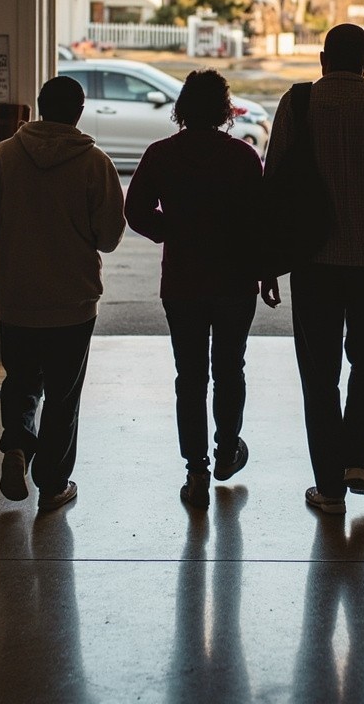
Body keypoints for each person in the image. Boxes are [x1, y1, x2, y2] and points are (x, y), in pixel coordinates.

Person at [262, 23, 364, 515]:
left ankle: (328, 486)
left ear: (322, 59)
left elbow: (274, 188)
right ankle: (359, 458)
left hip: (314, 261)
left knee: (320, 371)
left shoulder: (298, 104)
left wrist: (268, 264)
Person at [0, 75, 125, 513]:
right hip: (72, 303)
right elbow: (111, 235)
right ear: (78, 112)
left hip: (17, 299)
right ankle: (53, 483)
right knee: (63, 395)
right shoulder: (94, 163)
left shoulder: (2, 157)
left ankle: (17, 445)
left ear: (39, 106)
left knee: (20, 381)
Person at [125, 69, 263, 510]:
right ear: (225, 109)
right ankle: (226, 451)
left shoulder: (162, 154)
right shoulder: (242, 157)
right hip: (235, 280)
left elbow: (136, 210)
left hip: (182, 279)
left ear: (182, 106)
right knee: (229, 370)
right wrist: (266, 271)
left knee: (190, 377)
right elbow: (259, 221)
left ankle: (196, 468)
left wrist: (172, 230)